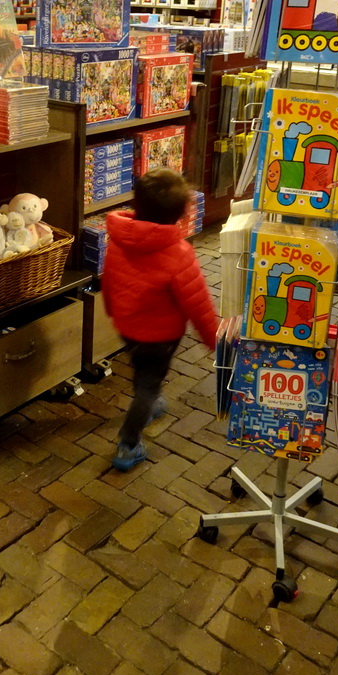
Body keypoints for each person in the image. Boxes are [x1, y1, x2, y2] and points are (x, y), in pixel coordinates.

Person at [102, 168, 219, 471]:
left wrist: (114, 312)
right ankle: (128, 444)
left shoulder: (118, 240)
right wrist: (214, 339)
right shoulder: (180, 254)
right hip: (160, 337)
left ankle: (148, 404)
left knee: (141, 371)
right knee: (148, 386)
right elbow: (199, 304)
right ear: (180, 216)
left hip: (128, 327)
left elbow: (112, 282)